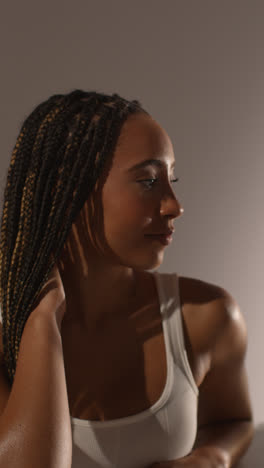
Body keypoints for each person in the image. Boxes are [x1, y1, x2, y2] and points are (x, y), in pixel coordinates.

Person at [0, 89, 253, 468]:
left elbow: (234, 421)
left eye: (172, 179)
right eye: (149, 181)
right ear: (67, 191)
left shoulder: (206, 318)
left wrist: (211, 457)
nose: (175, 205)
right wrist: (42, 318)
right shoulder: (7, 343)